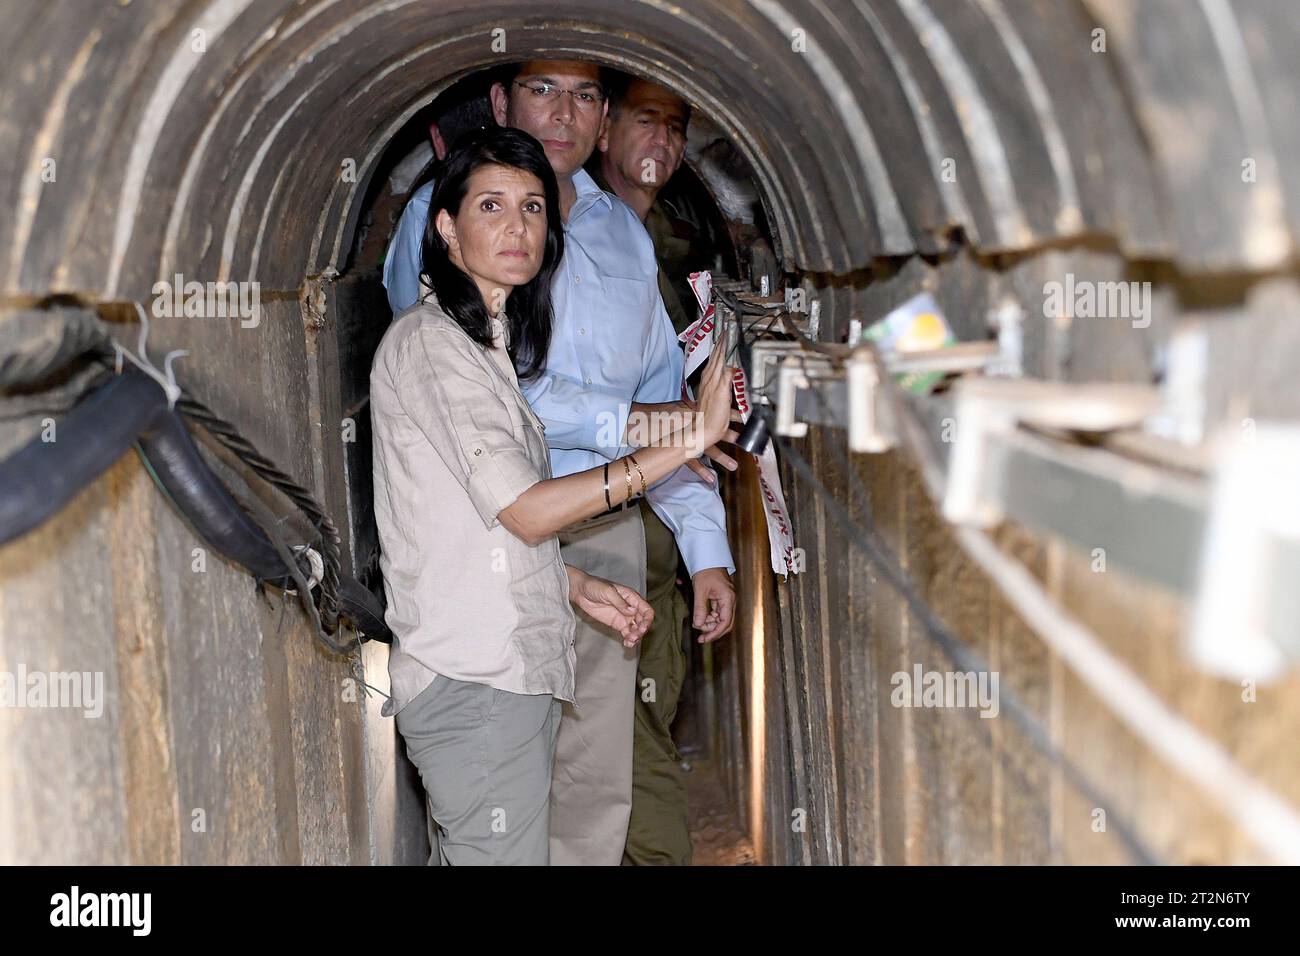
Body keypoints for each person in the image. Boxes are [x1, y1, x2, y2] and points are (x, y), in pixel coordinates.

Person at [384, 60, 740, 866]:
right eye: (492, 208)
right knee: (499, 815)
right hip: (484, 592)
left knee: (584, 786)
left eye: (532, 211)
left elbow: (647, 391)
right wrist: (668, 434)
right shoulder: (444, 339)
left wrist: (694, 543)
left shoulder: (617, 240)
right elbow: (508, 476)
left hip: (560, 556)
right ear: (445, 227)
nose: (516, 228)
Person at [590, 73, 731, 865]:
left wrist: (706, 554)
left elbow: (673, 421)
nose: (665, 142)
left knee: (637, 745)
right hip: (578, 551)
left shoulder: (656, 258)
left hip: (652, 565)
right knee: (625, 784)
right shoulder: (559, 249)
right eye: (648, 121)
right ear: (608, 129)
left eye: (677, 126)